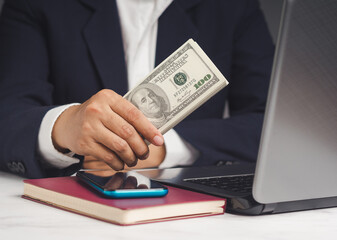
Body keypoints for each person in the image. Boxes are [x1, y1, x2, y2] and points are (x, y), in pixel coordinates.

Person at [0, 0, 274, 178]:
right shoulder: (37, 5)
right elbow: (7, 115)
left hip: (186, 209)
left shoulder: (233, 6)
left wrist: (167, 147)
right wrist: (62, 128)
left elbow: (276, 124)